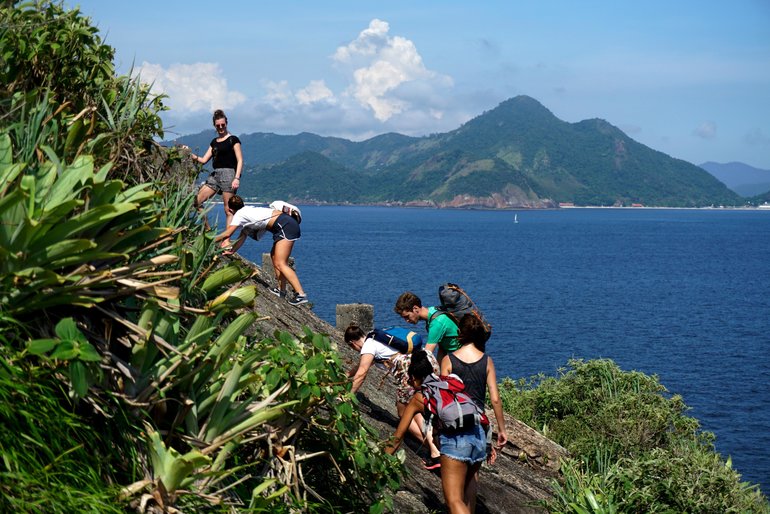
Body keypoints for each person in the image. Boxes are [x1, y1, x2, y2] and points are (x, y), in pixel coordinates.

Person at [385, 349, 503, 514]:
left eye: (410, 380)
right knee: (464, 496)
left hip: (455, 442)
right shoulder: (451, 382)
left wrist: (382, 460)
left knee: (453, 501)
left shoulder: (420, 396)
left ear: (413, 378)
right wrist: (489, 445)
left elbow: (398, 437)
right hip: (479, 436)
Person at [344, 324, 443, 470]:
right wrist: (346, 375)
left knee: (405, 414)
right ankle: (438, 444)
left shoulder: (368, 346)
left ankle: (435, 449)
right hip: (427, 361)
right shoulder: (375, 336)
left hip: (410, 370)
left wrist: (348, 395)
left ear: (352, 343)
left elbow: (362, 372)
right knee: (423, 407)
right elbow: (362, 365)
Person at [439, 313, 508, 513]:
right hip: (480, 430)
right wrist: (502, 431)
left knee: (453, 501)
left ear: (460, 333)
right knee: (470, 491)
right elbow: (495, 399)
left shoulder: (449, 360)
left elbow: (443, 398)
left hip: (456, 430)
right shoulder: (487, 361)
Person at [214, 195, 308, 306]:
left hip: (285, 226)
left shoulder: (239, 215)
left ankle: (300, 294)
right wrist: (232, 251)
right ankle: (281, 290)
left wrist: (211, 239)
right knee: (274, 257)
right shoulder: (248, 210)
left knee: (281, 263)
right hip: (284, 225)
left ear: (230, 210)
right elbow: (243, 235)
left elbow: (228, 233)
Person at [188, 109, 243, 227]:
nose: (221, 127)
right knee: (196, 201)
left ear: (226, 123)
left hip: (229, 175)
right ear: (215, 126)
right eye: (218, 125)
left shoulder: (233, 140)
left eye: (223, 124)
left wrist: (236, 178)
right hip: (215, 175)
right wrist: (188, 153)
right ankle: (208, 230)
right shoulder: (214, 142)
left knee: (228, 210)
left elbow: (240, 160)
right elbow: (203, 160)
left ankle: (226, 240)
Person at [394, 291, 460, 364]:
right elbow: (442, 347)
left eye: (407, 316)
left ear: (415, 308)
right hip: (454, 355)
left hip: (462, 358)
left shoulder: (436, 322)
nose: (406, 321)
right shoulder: (433, 311)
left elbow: (426, 355)